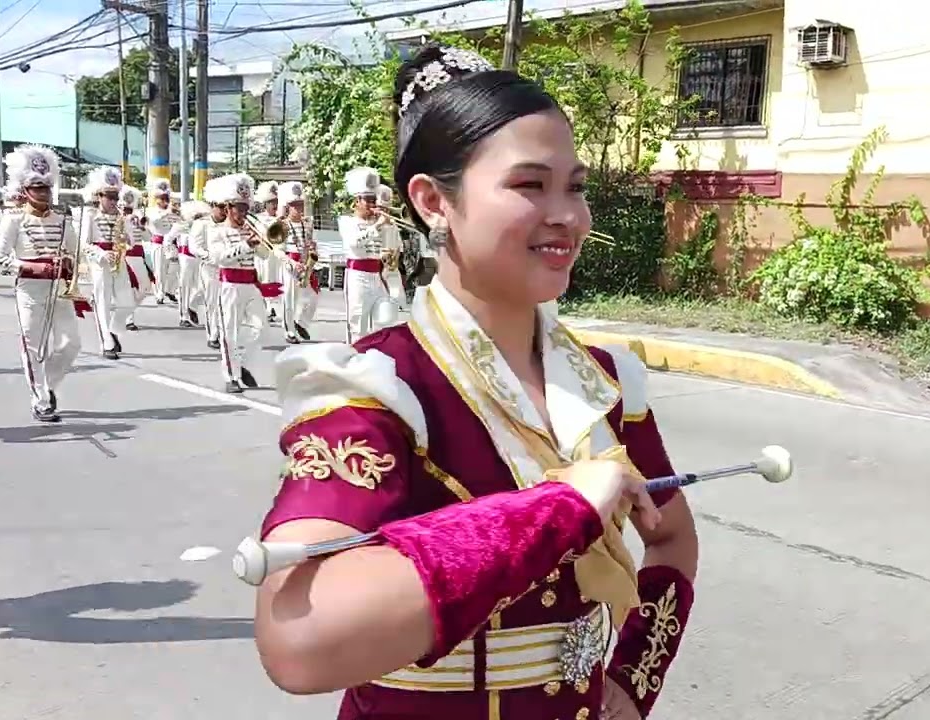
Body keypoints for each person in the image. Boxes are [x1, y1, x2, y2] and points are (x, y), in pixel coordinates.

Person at [253, 44, 700, 720]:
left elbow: (671, 534)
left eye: (574, 186)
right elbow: (300, 637)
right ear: (433, 201)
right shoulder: (378, 387)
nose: (568, 216)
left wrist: (633, 679)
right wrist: (559, 509)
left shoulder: (605, 380)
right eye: (529, 185)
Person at [0, 144, 86, 422]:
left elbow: (75, 251)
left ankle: (48, 385)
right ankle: (41, 400)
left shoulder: (63, 220)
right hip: (30, 290)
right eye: (38, 188)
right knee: (33, 346)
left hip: (58, 289)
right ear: (25, 190)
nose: (44, 193)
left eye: (47, 188)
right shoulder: (13, 220)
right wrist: (31, 265)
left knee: (71, 344)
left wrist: (68, 263)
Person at [210, 173, 277, 393]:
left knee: (261, 328)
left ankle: (242, 364)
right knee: (230, 332)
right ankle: (231, 376)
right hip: (229, 285)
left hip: (251, 285)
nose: (243, 213)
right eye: (238, 208)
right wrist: (247, 245)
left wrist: (259, 242)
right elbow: (219, 258)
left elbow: (266, 256)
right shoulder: (217, 231)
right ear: (228, 208)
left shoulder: (249, 230)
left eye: (245, 208)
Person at [81, 167, 137, 360]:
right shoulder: (89, 216)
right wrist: (101, 254)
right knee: (103, 302)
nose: (113, 201)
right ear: (99, 196)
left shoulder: (122, 217)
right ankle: (107, 342)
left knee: (126, 303)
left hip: (119, 260)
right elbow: (84, 244)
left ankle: (113, 329)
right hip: (100, 262)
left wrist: (126, 240)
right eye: (109, 196)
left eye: (115, 196)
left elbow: (132, 242)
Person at [337, 167, 398, 343]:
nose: (373, 204)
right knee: (358, 327)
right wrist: (377, 226)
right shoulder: (347, 222)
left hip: (377, 277)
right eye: (368, 200)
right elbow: (355, 243)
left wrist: (389, 225)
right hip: (357, 277)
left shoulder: (380, 223)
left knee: (386, 319)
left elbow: (390, 248)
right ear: (357, 200)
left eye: (374, 200)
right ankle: (353, 361)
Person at [277, 180, 319, 344]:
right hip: (291, 264)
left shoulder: (307, 224)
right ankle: (289, 331)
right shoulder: (282, 225)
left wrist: (313, 249)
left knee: (314, 296)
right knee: (289, 298)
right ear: (288, 206)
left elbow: (310, 243)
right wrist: (292, 263)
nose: (299, 208)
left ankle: (301, 323)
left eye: (301, 205)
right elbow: (278, 251)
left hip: (305, 262)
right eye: (295, 205)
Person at [195, 180, 229, 350]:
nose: (225, 211)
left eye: (227, 207)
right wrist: (208, 256)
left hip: (226, 268)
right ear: (213, 206)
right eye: (222, 207)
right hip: (209, 268)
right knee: (212, 302)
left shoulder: (229, 224)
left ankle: (224, 332)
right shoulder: (202, 223)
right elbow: (196, 247)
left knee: (226, 303)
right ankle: (213, 334)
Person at [171, 200, 210, 329]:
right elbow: (168, 240)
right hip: (185, 258)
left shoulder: (204, 226)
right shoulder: (181, 226)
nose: (198, 218)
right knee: (185, 287)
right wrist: (172, 254)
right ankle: (184, 316)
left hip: (199, 259)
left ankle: (192, 305)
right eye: (196, 215)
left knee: (202, 286)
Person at [118, 186, 151, 331]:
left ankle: (126, 310)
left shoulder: (136, 219)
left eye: (129, 209)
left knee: (145, 288)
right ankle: (128, 318)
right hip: (125, 256)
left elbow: (147, 238)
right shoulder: (117, 220)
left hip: (138, 256)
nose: (127, 212)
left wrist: (142, 227)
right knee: (129, 288)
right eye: (125, 209)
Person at [144, 178, 180, 305]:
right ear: (157, 198)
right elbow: (155, 221)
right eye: (162, 198)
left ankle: (170, 290)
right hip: (158, 243)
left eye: (167, 198)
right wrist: (168, 212)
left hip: (171, 244)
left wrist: (177, 214)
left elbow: (178, 224)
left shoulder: (172, 211)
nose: (165, 201)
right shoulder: (152, 211)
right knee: (160, 270)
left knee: (175, 268)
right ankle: (160, 293)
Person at [376, 183, 409, 311]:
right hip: (375, 263)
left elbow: (399, 246)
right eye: (382, 208)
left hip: (389, 264)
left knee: (395, 295)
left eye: (387, 209)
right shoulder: (371, 223)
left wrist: (395, 259)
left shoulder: (393, 224)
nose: (385, 212)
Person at [253, 181, 282, 323]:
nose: (274, 205)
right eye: (271, 202)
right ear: (265, 204)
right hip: (263, 254)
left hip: (276, 255)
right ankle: (265, 307)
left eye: (276, 201)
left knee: (275, 280)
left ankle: (272, 307)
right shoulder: (259, 219)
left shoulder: (281, 219)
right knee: (263, 279)